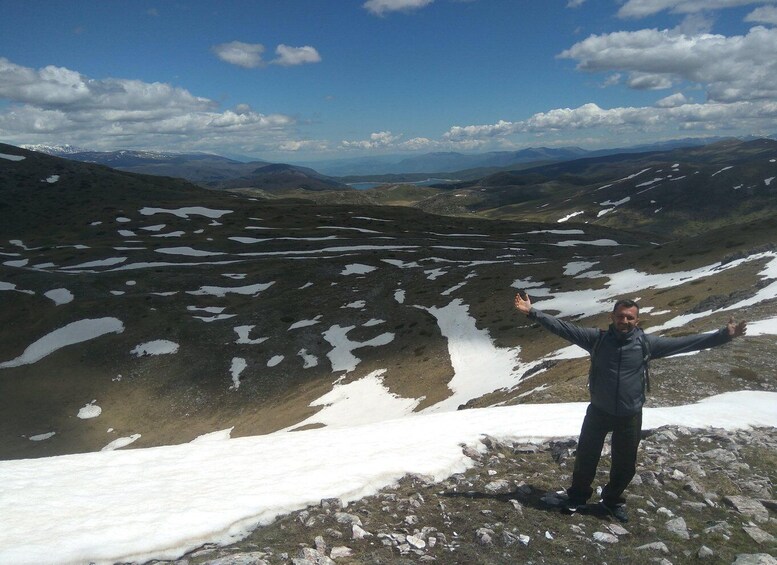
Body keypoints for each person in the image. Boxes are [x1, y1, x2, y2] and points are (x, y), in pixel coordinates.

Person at [514, 293, 747, 522]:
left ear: (637, 321)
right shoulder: (597, 338)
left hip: (630, 415)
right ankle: (577, 497)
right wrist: (532, 312)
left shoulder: (647, 343)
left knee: (625, 464)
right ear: (612, 317)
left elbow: (685, 343)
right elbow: (563, 328)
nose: (624, 321)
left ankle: (612, 501)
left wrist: (723, 336)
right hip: (598, 411)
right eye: (620, 316)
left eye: (629, 318)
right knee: (586, 457)